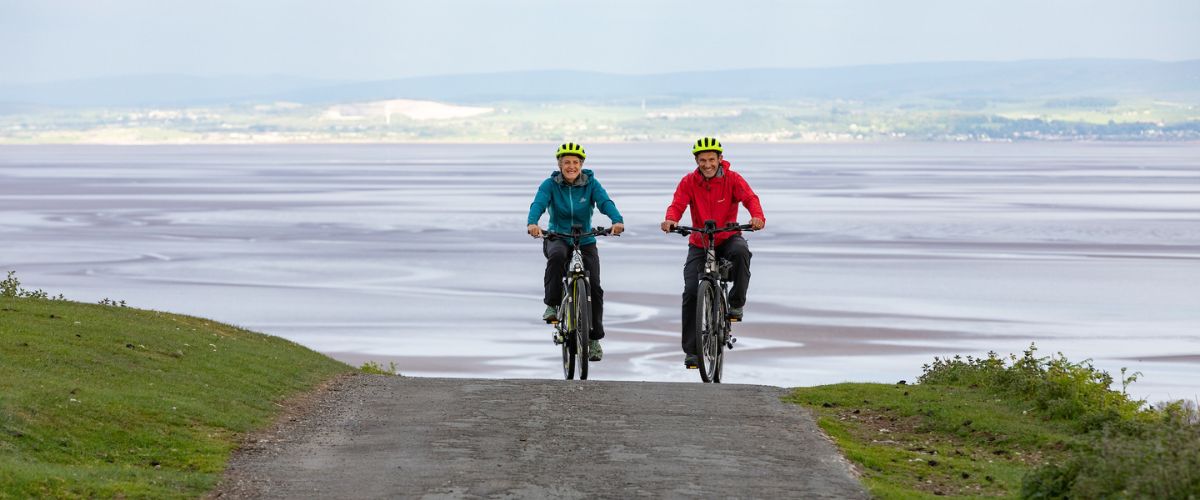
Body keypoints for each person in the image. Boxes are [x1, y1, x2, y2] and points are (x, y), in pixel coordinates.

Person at [660, 137, 765, 369]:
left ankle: (736, 303)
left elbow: (750, 198)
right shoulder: (689, 181)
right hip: (700, 241)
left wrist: (757, 217)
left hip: (727, 236)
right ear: (696, 161)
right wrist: (671, 220)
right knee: (690, 292)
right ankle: (693, 353)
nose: (707, 164)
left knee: (741, 252)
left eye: (711, 159)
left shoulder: (733, 179)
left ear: (720, 159)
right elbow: (677, 204)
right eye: (702, 160)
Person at [528, 142, 625, 362]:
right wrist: (532, 223)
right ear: (560, 165)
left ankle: (594, 340)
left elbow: (604, 202)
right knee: (556, 257)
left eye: (575, 163)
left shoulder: (591, 183)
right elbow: (538, 203)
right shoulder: (550, 184)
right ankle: (552, 305)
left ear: (581, 165)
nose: (571, 166)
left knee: (596, 288)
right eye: (566, 162)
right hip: (558, 236)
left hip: (585, 238)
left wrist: (616, 220)